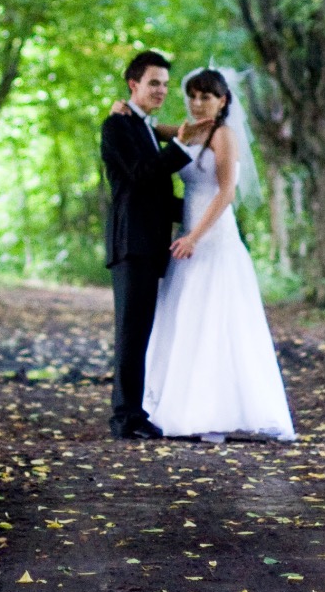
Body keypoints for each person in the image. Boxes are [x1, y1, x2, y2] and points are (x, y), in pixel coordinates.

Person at [118, 68, 295, 443]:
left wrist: (195, 237)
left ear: (223, 100)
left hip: (212, 237)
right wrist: (127, 110)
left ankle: (225, 408)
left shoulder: (224, 136)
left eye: (206, 97)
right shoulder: (193, 130)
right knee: (186, 319)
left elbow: (226, 192)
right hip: (187, 237)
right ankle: (185, 407)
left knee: (218, 319)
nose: (198, 104)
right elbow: (154, 129)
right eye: (192, 97)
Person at [99, 50, 192, 439]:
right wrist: (183, 145)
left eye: (166, 84)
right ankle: (125, 418)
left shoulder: (147, 129)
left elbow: (156, 195)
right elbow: (140, 175)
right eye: (154, 83)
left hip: (153, 245)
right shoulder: (116, 126)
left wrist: (201, 214)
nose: (161, 90)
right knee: (131, 334)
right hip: (130, 244)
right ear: (133, 84)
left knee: (146, 332)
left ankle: (137, 412)